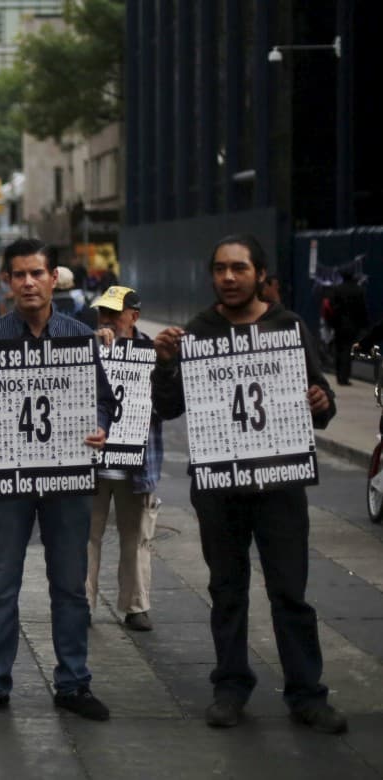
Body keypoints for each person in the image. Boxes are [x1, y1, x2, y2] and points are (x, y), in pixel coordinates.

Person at [151, 233, 346, 734]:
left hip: (280, 486)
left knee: (290, 592)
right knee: (227, 590)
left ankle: (307, 693)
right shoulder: (198, 330)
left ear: (261, 274)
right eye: (220, 269)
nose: (229, 277)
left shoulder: (289, 326)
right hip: (220, 490)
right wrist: (166, 364)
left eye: (239, 268)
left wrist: (321, 401)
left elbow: (320, 395)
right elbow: (169, 408)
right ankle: (230, 687)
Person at [0, 237, 114, 722]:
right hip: (7, 480)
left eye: (36, 273)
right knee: (0, 582)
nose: (27, 282)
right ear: (6, 282)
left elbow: (104, 399)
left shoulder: (79, 337)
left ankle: (74, 683)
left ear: (53, 277)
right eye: (18, 274)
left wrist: (100, 424)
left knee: (69, 583)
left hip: (67, 478)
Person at [85, 286, 163, 632]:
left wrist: (168, 365)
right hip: (92, 460)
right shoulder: (87, 347)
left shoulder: (152, 351)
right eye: (103, 313)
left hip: (138, 464)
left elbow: (169, 404)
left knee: (137, 537)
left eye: (115, 314)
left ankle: (136, 605)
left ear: (134, 316)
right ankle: (81, 604)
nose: (107, 320)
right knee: (86, 537)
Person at [323, 266, 368, 385]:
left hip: (339, 324)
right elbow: (362, 309)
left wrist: (332, 322)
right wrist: (364, 325)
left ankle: (339, 375)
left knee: (339, 349)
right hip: (353, 325)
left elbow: (331, 307)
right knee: (348, 350)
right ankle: (345, 376)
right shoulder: (358, 290)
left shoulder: (337, 290)